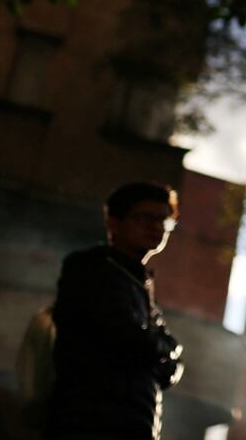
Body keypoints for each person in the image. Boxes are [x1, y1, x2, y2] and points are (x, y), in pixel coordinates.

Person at [45, 181, 184, 440]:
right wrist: (164, 349)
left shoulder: (142, 286)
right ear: (114, 223)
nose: (156, 226)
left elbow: (169, 367)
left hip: (137, 423)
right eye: (145, 218)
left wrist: (161, 350)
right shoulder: (92, 268)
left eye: (163, 220)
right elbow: (124, 337)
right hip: (88, 421)